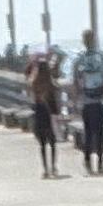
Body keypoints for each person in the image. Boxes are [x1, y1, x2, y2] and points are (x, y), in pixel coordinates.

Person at [70, 27, 103, 173]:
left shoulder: (79, 60)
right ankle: (101, 163)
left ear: (83, 42)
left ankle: (88, 161)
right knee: (101, 133)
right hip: (100, 102)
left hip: (86, 103)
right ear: (95, 40)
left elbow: (75, 84)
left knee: (88, 132)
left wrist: (75, 102)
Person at [25, 49, 65, 179]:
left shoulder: (34, 82)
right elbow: (57, 89)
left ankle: (45, 170)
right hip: (49, 112)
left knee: (42, 144)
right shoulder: (49, 81)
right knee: (52, 142)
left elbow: (29, 86)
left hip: (39, 111)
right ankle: (53, 167)